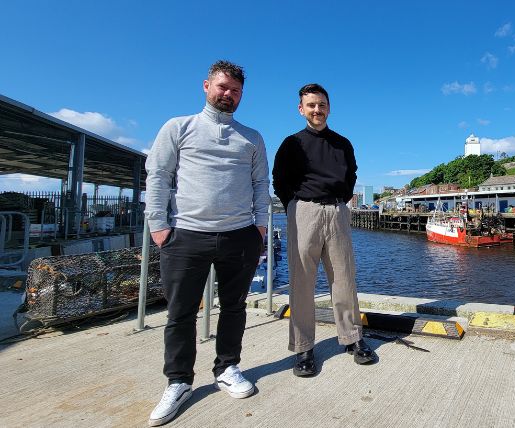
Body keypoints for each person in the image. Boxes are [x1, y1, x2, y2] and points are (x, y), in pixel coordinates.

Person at [144, 60, 270, 426]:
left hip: (240, 235)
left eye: (235, 90)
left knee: (234, 307)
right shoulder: (178, 127)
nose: (228, 94)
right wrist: (159, 226)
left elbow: (262, 184)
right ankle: (179, 381)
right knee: (180, 313)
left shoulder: (252, 138)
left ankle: (228, 367)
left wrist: (260, 226)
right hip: (185, 235)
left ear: (242, 95)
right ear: (206, 86)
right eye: (222, 87)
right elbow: (159, 177)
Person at [272, 83, 377, 377]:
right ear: (301, 109)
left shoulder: (343, 143)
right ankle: (304, 347)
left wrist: (341, 200)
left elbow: (351, 174)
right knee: (302, 282)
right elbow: (279, 179)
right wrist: (294, 205)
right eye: (311, 105)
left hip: (337, 211)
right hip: (304, 210)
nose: (317, 110)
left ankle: (352, 338)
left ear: (328, 107)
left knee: (344, 278)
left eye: (321, 104)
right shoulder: (291, 143)